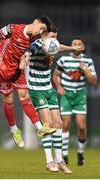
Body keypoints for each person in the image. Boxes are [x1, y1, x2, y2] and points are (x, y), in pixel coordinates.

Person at [0, 15, 57, 148]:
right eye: (41, 28)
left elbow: (25, 53)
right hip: (0, 68)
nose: (40, 31)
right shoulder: (13, 28)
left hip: (16, 69)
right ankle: (14, 130)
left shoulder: (33, 38)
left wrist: (24, 60)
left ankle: (40, 128)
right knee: (9, 100)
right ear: (35, 22)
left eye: (43, 30)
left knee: (24, 96)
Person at [20, 26, 81, 173]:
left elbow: (60, 47)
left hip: (48, 88)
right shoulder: (38, 44)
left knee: (58, 123)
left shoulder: (52, 45)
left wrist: (72, 48)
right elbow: (29, 51)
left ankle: (60, 161)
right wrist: (25, 58)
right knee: (47, 125)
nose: (54, 40)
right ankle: (49, 161)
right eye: (52, 36)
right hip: (36, 89)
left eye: (56, 37)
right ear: (44, 36)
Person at [53, 37, 98, 165]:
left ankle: (80, 152)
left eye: (79, 44)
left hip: (80, 95)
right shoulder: (64, 59)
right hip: (67, 95)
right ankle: (65, 156)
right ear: (71, 46)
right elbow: (55, 75)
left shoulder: (87, 61)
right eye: (74, 44)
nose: (77, 46)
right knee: (65, 125)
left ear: (83, 47)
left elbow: (94, 82)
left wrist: (87, 71)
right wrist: (59, 87)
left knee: (82, 126)